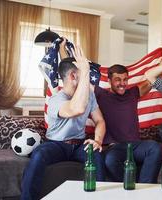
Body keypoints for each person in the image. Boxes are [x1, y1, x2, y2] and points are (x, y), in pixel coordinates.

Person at [21, 46, 106, 200]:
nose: (88, 77)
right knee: (39, 154)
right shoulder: (56, 100)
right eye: (84, 74)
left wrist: (98, 140)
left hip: (80, 144)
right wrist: (85, 70)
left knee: (96, 156)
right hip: (56, 144)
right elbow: (77, 108)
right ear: (73, 76)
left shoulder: (90, 96)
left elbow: (99, 120)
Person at [94, 53, 162, 183]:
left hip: (135, 146)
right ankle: (130, 186)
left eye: (125, 79)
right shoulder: (101, 94)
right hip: (115, 147)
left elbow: (154, 78)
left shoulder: (133, 93)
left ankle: (144, 189)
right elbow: (77, 79)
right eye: (118, 80)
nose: (123, 83)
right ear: (109, 81)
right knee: (110, 160)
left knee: (155, 148)